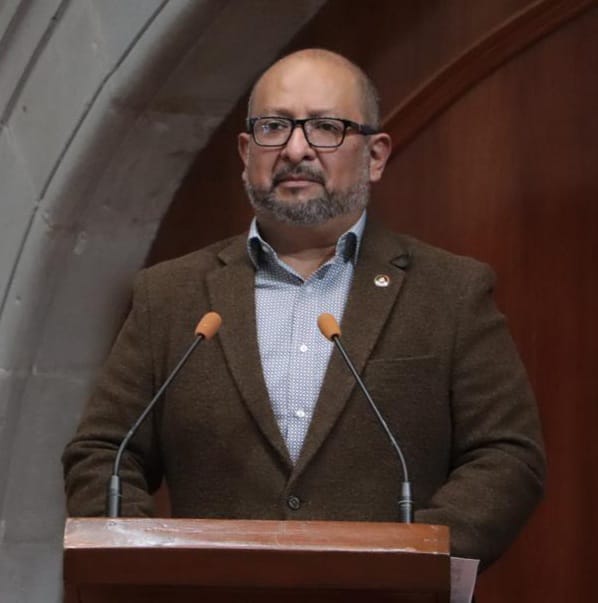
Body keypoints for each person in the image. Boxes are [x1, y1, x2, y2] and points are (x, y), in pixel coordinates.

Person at [62, 48, 545, 569]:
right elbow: (104, 453)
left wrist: (415, 560)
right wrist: (148, 566)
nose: (296, 150)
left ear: (376, 155)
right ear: (246, 151)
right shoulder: (171, 295)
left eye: (325, 127)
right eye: (274, 127)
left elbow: (506, 456)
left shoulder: (449, 292)